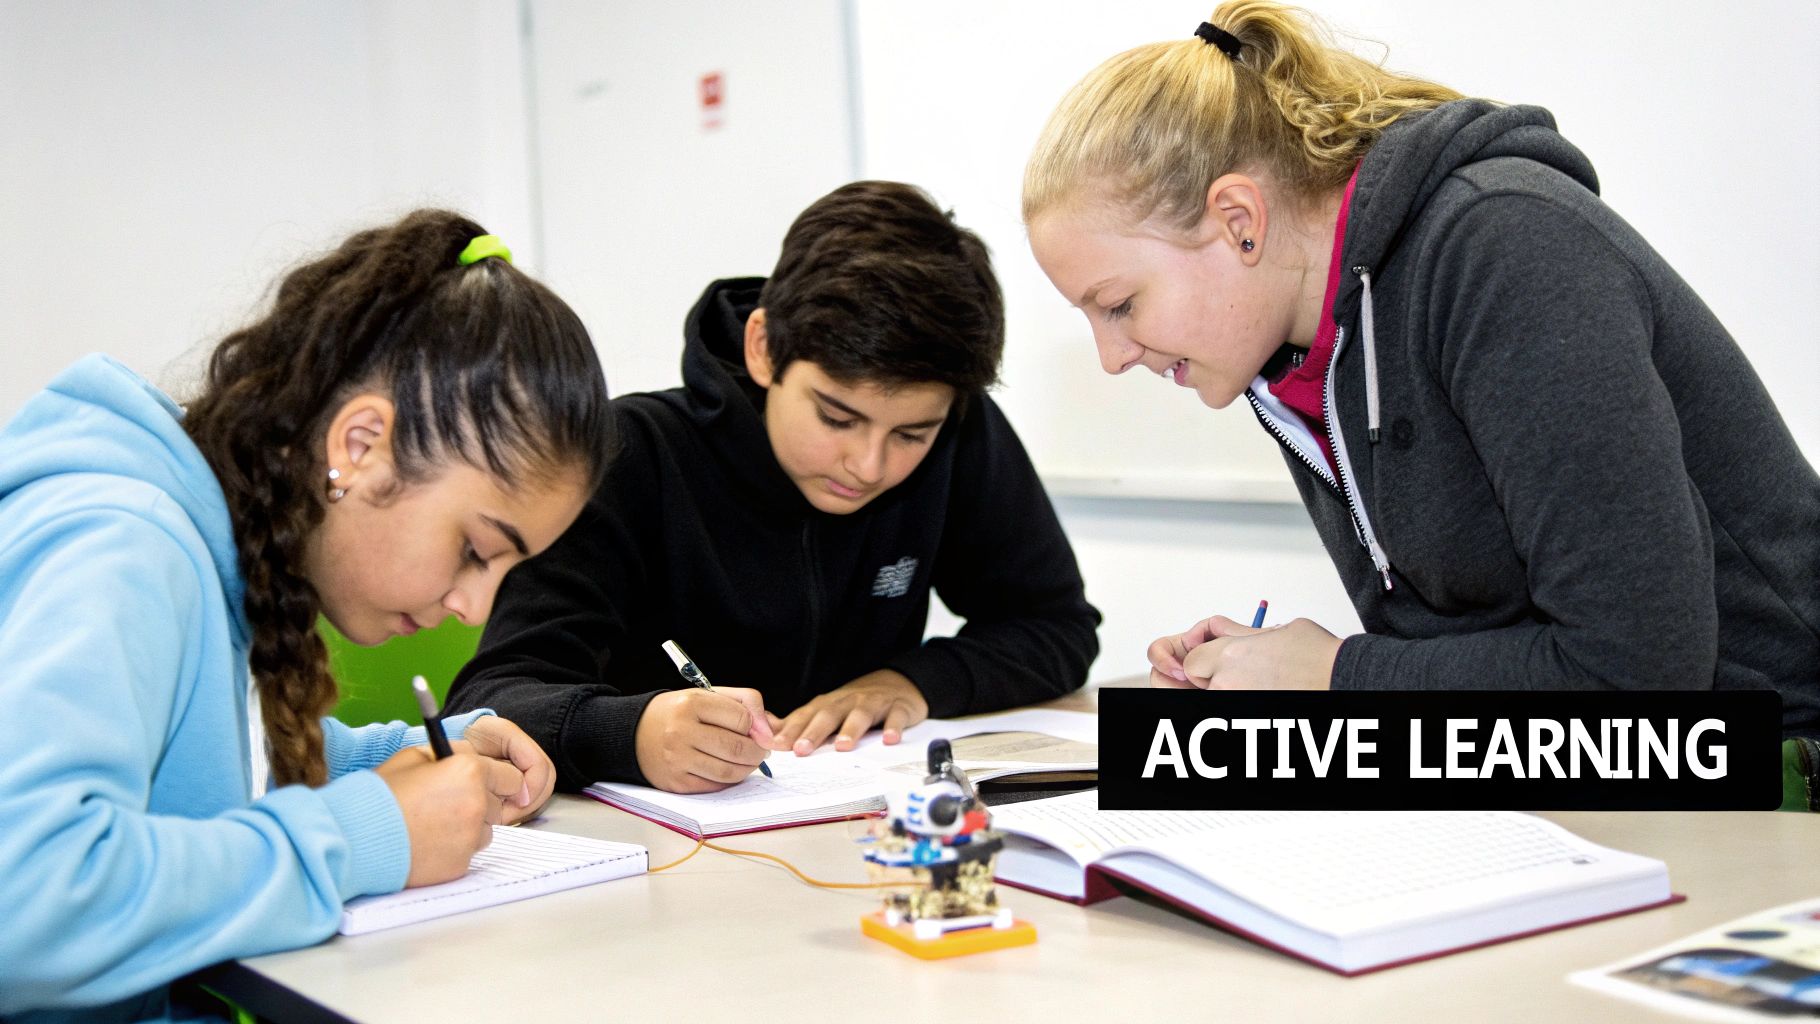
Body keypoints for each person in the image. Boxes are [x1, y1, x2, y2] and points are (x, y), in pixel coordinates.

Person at [1021, 2, 1819, 734]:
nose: (1112, 356)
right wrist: (1268, 679)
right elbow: (1464, 648)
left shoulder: (1503, 251)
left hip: (1775, 767)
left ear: (1238, 222)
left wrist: (1337, 676)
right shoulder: (1291, 363)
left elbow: (1638, 674)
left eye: (1119, 304)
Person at [0, 210, 614, 1021]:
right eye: (474, 548)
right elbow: (27, 899)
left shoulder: (205, 538)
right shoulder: (126, 548)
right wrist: (363, 836)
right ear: (359, 446)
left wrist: (397, 761)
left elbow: (193, 769)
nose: (474, 606)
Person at [447, 181, 1100, 794]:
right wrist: (633, 733)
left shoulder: (958, 429)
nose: (869, 465)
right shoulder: (629, 455)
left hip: (849, 824)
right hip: (654, 863)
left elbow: (1056, 627)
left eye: (911, 435)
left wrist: (912, 681)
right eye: (837, 417)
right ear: (763, 347)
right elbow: (488, 704)